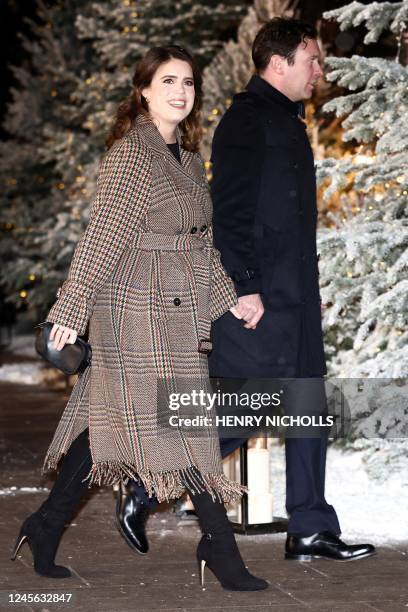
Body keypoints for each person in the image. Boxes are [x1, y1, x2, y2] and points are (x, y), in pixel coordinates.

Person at [10, 45, 268, 591]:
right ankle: (221, 550)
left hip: (178, 308)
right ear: (144, 90)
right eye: (168, 81)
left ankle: (46, 524)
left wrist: (231, 296)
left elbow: (199, 245)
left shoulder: (186, 158)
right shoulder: (133, 154)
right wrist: (70, 308)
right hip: (134, 309)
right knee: (184, 419)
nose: (180, 91)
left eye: (189, 83)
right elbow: (103, 236)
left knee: (112, 424)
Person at [117, 20, 376, 564]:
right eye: (312, 61)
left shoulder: (284, 120)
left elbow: (284, 217)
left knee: (308, 408)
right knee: (248, 408)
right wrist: (245, 288)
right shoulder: (246, 121)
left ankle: (310, 525)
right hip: (257, 299)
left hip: (293, 295)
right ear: (279, 64)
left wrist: (307, 288)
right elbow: (229, 215)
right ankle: (147, 485)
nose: (319, 72)